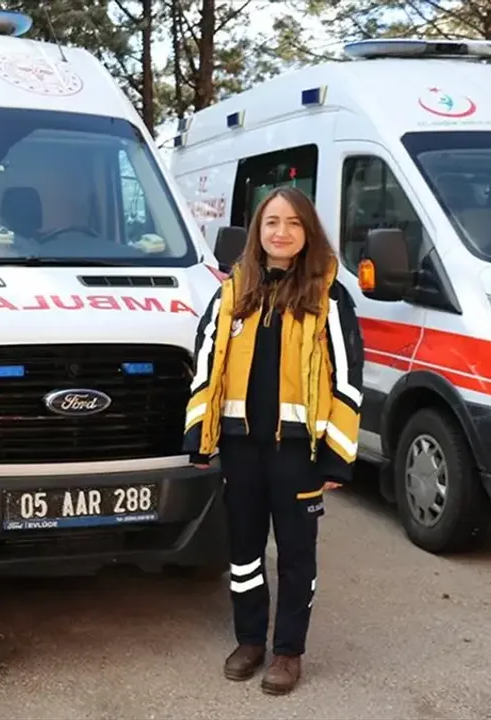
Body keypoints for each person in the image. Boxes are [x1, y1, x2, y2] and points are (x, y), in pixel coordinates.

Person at [183, 186, 363, 695]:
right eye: (271, 222)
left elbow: (348, 379)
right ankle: (249, 641)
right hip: (240, 448)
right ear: (257, 232)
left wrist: (337, 456)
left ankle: (288, 651)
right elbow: (205, 367)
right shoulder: (231, 294)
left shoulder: (329, 296)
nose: (281, 232)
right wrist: (200, 437)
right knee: (243, 551)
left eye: (293, 223)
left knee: (297, 555)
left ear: (308, 233)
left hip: (299, 454)